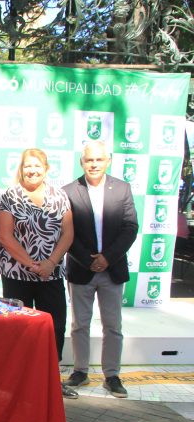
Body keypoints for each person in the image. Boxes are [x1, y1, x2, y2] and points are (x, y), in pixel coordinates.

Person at [0, 149, 77, 399]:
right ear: (21, 168)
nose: (32, 170)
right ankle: (18, 382)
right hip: (17, 275)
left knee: (55, 327)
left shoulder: (59, 195)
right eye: (27, 166)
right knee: (19, 330)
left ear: (46, 168)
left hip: (51, 276)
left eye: (37, 166)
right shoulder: (9, 196)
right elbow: (4, 236)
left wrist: (51, 263)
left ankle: (52, 380)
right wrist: (33, 264)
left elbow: (68, 233)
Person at [63, 140, 138, 398]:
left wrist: (107, 258)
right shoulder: (69, 191)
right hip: (81, 270)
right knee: (79, 324)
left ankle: (112, 376)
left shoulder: (122, 189)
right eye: (89, 160)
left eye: (99, 159)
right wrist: (89, 260)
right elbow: (67, 233)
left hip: (113, 269)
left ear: (108, 160)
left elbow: (130, 227)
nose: (94, 164)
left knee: (112, 325)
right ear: (81, 161)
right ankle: (80, 371)